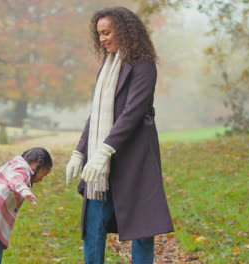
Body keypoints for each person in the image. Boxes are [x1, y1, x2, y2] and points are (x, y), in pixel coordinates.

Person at [65, 6, 174, 264]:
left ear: (124, 31)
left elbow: (133, 113)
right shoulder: (107, 66)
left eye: (106, 33)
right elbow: (97, 113)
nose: (102, 39)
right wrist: (80, 152)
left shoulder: (144, 66)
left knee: (142, 227)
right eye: (99, 34)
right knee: (93, 224)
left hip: (135, 157)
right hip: (100, 165)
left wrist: (104, 150)